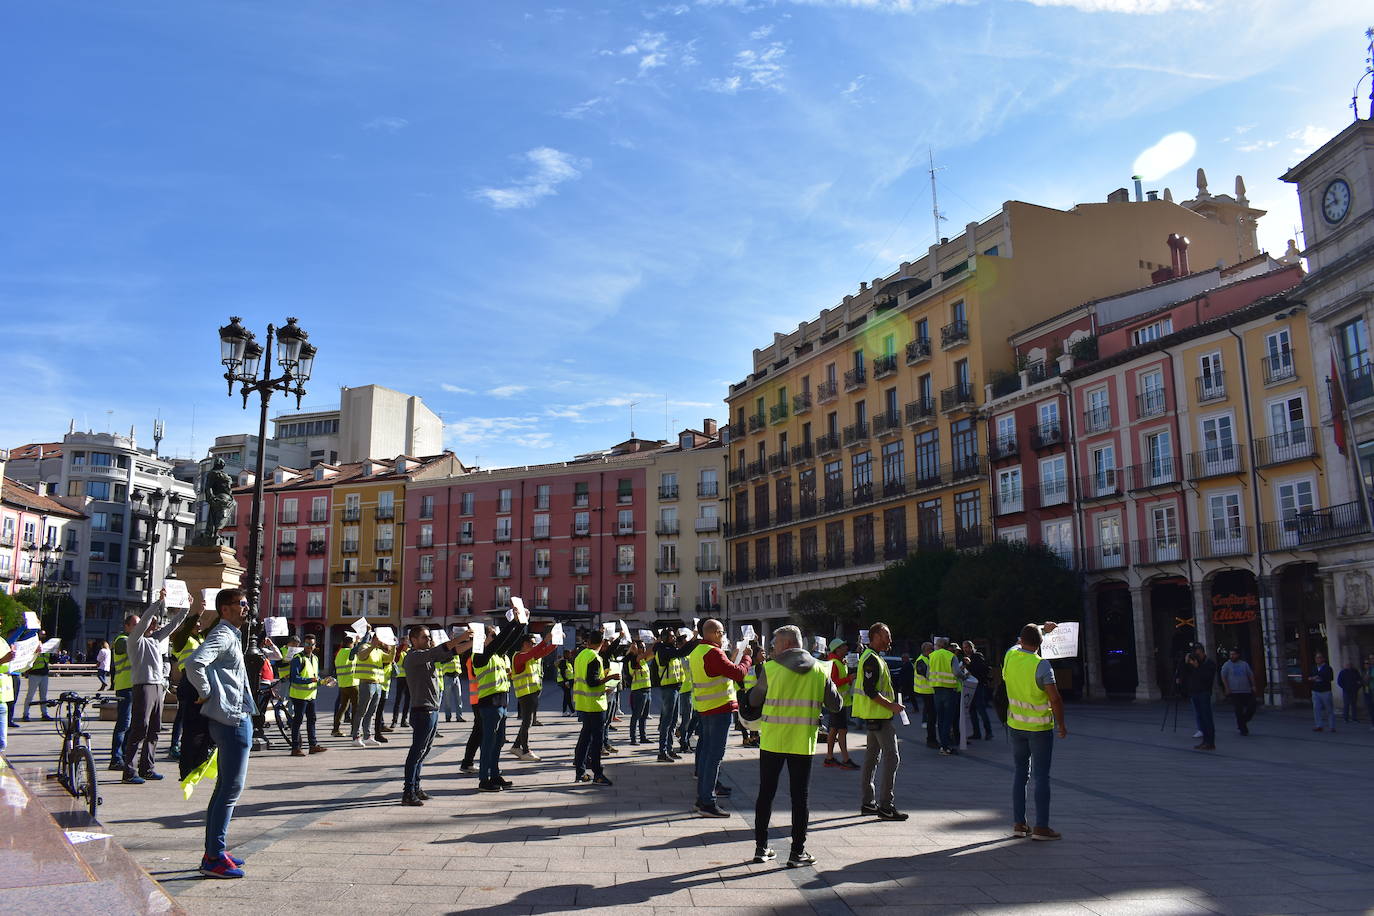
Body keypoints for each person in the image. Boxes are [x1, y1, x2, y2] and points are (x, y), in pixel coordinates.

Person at [747, 625, 841, 868]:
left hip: (773, 740)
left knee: (766, 794)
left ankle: (761, 848)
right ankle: (797, 852)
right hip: (803, 741)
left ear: (788, 644)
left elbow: (755, 699)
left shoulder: (771, 669)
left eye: (776, 643)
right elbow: (836, 705)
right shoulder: (820, 669)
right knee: (800, 798)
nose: (773, 648)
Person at [184, 588, 255, 879]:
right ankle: (213, 857)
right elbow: (194, 662)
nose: (247, 608)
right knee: (230, 790)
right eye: (241, 604)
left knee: (224, 787)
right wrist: (206, 691)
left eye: (247, 603)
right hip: (232, 719)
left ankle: (215, 849)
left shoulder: (232, 634)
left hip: (233, 716)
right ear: (225, 609)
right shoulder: (224, 634)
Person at [1005, 623, 1067, 841]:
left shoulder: (1010, 657)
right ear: (1041, 644)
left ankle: (1019, 824)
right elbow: (1055, 698)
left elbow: (1016, 643)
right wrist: (1061, 724)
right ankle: (1041, 827)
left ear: (1021, 640)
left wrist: (1041, 627)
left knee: (1020, 774)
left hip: (1015, 726)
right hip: (1039, 728)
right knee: (1041, 776)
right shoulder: (1041, 665)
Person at [123, 590, 193, 784]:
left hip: (157, 685)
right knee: (140, 728)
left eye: (155, 623)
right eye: (151, 623)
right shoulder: (135, 640)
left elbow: (173, 626)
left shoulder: (155, 640)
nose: (154, 625)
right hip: (143, 685)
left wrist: (185, 609)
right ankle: (129, 771)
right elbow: (144, 621)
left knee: (154, 728)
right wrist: (158, 602)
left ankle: (147, 767)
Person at [400, 625, 474, 805]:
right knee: (416, 752)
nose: (428, 640)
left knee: (424, 752)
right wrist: (463, 636)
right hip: (422, 711)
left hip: (431, 710)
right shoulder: (414, 657)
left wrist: (473, 642)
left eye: (428, 637)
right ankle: (408, 791)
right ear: (414, 640)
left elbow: (453, 651)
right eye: (424, 637)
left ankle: (416, 787)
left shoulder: (426, 656)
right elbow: (444, 648)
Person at [688, 619, 752, 817]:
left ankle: (703, 799)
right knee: (714, 757)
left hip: (706, 708)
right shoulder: (713, 652)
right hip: (718, 709)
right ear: (714, 632)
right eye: (722, 632)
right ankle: (707, 801)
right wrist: (747, 658)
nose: (723, 635)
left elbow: (721, 671)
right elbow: (738, 673)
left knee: (708, 755)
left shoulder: (697, 651)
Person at [855, 623, 906, 821]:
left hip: (874, 716)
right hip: (879, 716)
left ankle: (868, 803)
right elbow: (870, 690)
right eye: (886, 636)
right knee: (892, 758)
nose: (889, 640)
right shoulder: (872, 659)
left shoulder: (873, 657)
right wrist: (891, 706)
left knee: (871, 759)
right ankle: (886, 805)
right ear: (875, 636)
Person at [473, 618, 527, 792]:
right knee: (488, 743)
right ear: (484, 638)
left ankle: (495, 774)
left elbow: (509, 640)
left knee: (498, 743)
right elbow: (502, 640)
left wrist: (521, 623)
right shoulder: (480, 655)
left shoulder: (498, 655)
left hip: (502, 703)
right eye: (493, 635)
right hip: (489, 704)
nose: (496, 638)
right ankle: (484, 779)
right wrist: (511, 624)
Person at [572, 629, 618, 786]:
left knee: (585, 738)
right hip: (595, 705)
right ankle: (598, 774)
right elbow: (592, 682)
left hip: (583, 703)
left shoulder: (581, 656)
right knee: (596, 741)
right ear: (602, 643)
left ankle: (580, 771)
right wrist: (610, 678)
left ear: (588, 642)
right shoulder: (594, 657)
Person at [509, 632, 556, 761]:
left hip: (532, 693)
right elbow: (534, 652)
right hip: (526, 694)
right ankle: (525, 751)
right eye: (532, 643)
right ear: (524, 644)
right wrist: (544, 641)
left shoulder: (528, 655)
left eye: (535, 643)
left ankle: (516, 746)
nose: (534, 645)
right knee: (526, 722)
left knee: (527, 722)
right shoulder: (519, 656)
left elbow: (544, 652)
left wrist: (556, 641)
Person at [349, 632, 396, 747]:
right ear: (375, 638)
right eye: (381, 639)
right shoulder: (365, 646)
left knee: (371, 712)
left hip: (377, 684)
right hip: (366, 683)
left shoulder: (378, 651)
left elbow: (390, 658)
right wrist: (372, 646)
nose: (382, 642)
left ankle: (368, 736)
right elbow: (361, 656)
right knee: (362, 711)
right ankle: (356, 737)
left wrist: (394, 646)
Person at [821, 638, 859, 769]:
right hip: (837, 702)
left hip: (839, 702)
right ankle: (845, 759)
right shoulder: (834, 663)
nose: (846, 649)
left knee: (834, 729)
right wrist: (849, 678)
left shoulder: (839, 662)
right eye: (843, 647)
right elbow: (833, 683)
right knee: (841, 730)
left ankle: (830, 757)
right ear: (837, 649)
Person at [654, 628, 690, 761]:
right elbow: (681, 652)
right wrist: (694, 641)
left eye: (674, 636)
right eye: (671, 636)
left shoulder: (670, 650)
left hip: (675, 688)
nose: (674, 638)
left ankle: (669, 749)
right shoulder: (663, 650)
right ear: (664, 638)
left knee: (673, 721)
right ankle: (662, 752)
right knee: (666, 721)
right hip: (668, 689)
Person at [288, 635, 328, 757]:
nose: (309, 647)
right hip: (299, 696)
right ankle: (295, 748)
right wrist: (310, 680)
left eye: (311, 645)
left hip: (311, 695)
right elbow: (294, 678)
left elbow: (315, 676)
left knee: (312, 720)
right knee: (297, 721)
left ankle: (313, 745)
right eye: (307, 644)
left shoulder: (315, 658)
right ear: (303, 645)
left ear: (315, 646)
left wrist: (323, 681)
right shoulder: (297, 658)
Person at [108, 616, 137, 771]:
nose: (138, 627)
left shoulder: (133, 639)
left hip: (134, 687)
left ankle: (125, 755)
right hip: (125, 686)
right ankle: (116, 758)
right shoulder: (122, 640)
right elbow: (127, 648)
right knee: (123, 724)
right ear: (126, 626)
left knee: (131, 725)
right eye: (135, 625)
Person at [927, 636, 966, 755]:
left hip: (937, 690)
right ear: (947, 646)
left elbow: (928, 674)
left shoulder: (932, 656)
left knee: (941, 719)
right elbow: (957, 672)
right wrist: (964, 677)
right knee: (948, 719)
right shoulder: (951, 656)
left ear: (937, 646)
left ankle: (943, 745)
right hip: (949, 690)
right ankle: (945, 746)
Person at [1183, 644, 1217, 750]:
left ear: (1202, 652)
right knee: (1200, 717)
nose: (1196, 656)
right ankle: (1204, 740)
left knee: (1207, 717)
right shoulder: (1193, 663)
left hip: (1204, 693)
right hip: (1194, 692)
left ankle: (1210, 742)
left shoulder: (1209, 663)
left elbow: (1207, 678)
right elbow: (1185, 674)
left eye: (1197, 653)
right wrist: (1186, 662)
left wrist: (1197, 667)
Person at [1219, 649, 1258, 736]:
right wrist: (1227, 688)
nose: (1232, 656)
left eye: (1234, 654)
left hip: (1246, 690)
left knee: (1252, 706)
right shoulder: (1227, 665)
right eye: (1231, 654)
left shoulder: (1244, 664)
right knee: (1238, 710)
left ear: (1238, 655)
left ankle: (1243, 721)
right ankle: (1243, 729)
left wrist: (1253, 685)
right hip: (1234, 691)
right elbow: (1223, 676)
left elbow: (1250, 675)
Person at [962, 640, 993, 740]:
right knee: (972, 711)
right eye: (964, 647)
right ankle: (977, 733)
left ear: (971, 647)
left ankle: (989, 732)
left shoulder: (977, 656)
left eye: (967, 647)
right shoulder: (965, 659)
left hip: (978, 686)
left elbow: (981, 669)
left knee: (981, 710)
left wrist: (969, 665)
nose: (965, 649)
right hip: (969, 686)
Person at [627, 641, 654, 747]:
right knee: (636, 715)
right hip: (638, 691)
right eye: (641, 647)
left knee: (644, 715)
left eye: (644, 647)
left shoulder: (643, 660)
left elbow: (652, 654)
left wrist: (656, 644)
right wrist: (655, 643)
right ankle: (633, 738)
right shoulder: (633, 660)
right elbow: (648, 653)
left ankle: (643, 737)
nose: (643, 649)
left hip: (647, 690)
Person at [331, 635, 357, 737]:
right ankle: (354, 730)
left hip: (343, 684)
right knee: (356, 708)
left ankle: (335, 729)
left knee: (343, 707)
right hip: (352, 683)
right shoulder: (349, 652)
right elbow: (358, 648)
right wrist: (366, 634)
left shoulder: (339, 653)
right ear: (351, 643)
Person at [913, 642, 936, 749]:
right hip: (927, 692)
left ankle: (932, 738)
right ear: (925, 650)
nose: (933, 651)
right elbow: (927, 675)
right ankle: (931, 740)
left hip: (929, 692)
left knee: (932, 717)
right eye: (931, 649)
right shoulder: (921, 660)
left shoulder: (927, 659)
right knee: (931, 718)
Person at [22, 639, 52, 721]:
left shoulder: (46, 651)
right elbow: (28, 661)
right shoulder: (33, 650)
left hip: (44, 674)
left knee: (44, 696)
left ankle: (44, 714)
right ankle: (25, 714)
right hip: (34, 674)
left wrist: (55, 654)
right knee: (30, 695)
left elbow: (52, 660)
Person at [1309, 653, 1335, 732]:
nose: (1317, 659)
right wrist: (1311, 678)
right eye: (1316, 658)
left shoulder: (1327, 668)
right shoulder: (1314, 668)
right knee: (1316, 709)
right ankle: (1319, 725)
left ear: (1323, 659)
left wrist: (1320, 677)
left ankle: (1332, 726)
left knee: (1329, 709)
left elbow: (1330, 678)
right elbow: (1310, 676)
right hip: (1316, 690)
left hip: (1325, 691)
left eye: (1319, 658)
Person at [389, 637, 411, 729]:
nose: (407, 645)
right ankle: (394, 721)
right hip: (400, 678)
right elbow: (397, 656)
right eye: (405, 643)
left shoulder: (409, 652)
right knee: (398, 700)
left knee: (407, 701)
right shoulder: (398, 652)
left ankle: (404, 720)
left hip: (409, 678)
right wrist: (402, 645)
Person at [0, 635, 14, 753]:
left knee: (2, 743)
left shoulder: (2, 641)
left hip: (2, 698)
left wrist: (33, 654)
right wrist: (2, 660)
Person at [558, 651, 575, 715]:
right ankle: (573, 711)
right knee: (568, 697)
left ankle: (564, 711)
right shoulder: (563, 662)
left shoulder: (567, 662)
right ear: (566, 654)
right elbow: (563, 673)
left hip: (566, 682)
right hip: (564, 682)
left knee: (566, 697)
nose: (570, 655)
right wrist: (566, 681)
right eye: (569, 654)